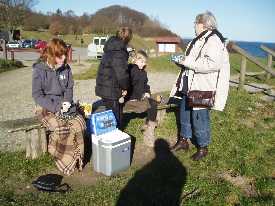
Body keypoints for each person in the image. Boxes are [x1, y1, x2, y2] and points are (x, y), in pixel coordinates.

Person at [170, 11, 230, 160]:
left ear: (202, 24)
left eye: (195, 24)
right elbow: (192, 60)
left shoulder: (213, 40)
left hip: (202, 87)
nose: (194, 26)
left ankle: (203, 147)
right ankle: (183, 141)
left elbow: (212, 64)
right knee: (184, 113)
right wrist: (181, 60)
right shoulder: (199, 39)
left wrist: (186, 61)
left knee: (199, 118)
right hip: (189, 84)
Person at [32, 38, 86, 175]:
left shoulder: (66, 68)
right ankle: (63, 160)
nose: (63, 58)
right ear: (51, 54)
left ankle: (76, 159)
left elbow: (69, 88)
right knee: (61, 127)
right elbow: (37, 95)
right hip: (45, 106)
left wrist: (67, 101)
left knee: (79, 124)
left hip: (64, 104)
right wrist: (56, 108)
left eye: (64, 55)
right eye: (59, 55)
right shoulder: (39, 69)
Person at [95, 27, 132, 127]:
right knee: (115, 117)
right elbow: (122, 75)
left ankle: (111, 132)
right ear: (127, 39)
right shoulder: (119, 52)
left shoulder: (110, 47)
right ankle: (116, 134)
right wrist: (125, 87)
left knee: (110, 113)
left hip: (105, 86)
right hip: (111, 89)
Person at [124, 50, 160, 147]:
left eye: (145, 62)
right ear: (135, 60)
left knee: (153, 103)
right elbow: (127, 86)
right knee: (147, 104)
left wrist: (147, 92)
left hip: (140, 98)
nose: (143, 64)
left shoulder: (143, 73)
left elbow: (145, 85)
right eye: (141, 62)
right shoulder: (130, 70)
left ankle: (149, 128)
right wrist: (131, 97)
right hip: (130, 99)